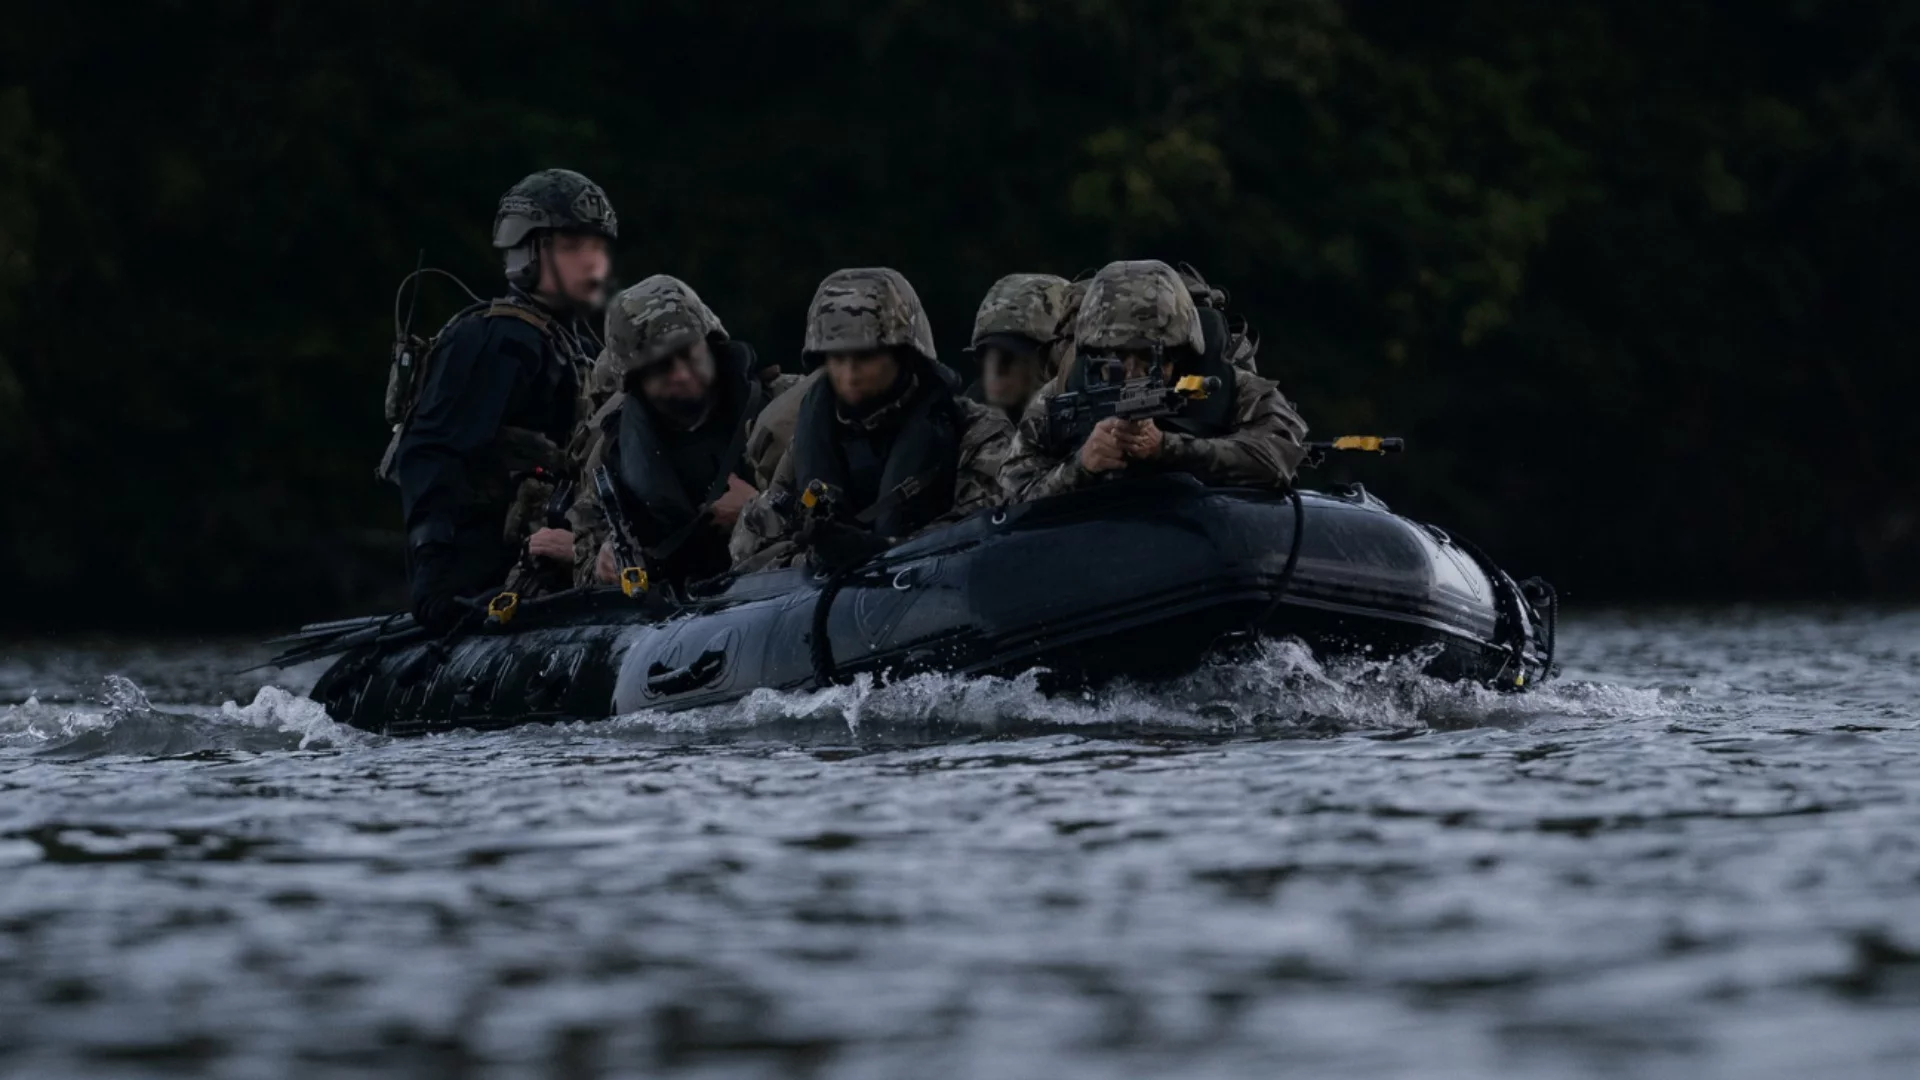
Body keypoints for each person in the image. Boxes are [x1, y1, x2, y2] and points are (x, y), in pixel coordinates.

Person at [391, 168, 615, 631]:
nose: (592, 262)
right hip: (493, 574)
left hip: (569, 555)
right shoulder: (495, 341)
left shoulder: (586, 350)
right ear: (529, 251)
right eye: (574, 246)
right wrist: (436, 582)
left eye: (597, 246)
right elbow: (431, 455)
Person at [729, 267, 1012, 571]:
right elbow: (749, 550)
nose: (850, 375)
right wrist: (813, 558)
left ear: (904, 355)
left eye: (865, 357)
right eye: (837, 359)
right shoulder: (810, 442)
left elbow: (987, 533)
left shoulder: (975, 431)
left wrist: (882, 551)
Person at [1000, 259, 1308, 503]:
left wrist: (1168, 448)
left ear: (1179, 353)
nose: (1133, 372)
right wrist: (1082, 465)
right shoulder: (1060, 397)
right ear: (1094, 354)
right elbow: (1012, 494)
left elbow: (1279, 455)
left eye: (1150, 357)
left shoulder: (1230, 386)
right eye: (1117, 358)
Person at [568, 275, 771, 589]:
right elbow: (584, 557)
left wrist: (759, 509)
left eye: (688, 352)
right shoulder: (613, 456)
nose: (681, 373)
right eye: (660, 365)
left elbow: (837, 518)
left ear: (710, 342)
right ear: (635, 379)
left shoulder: (780, 415)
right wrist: (602, 562)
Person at [964, 273, 1071, 421]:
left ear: (1053, 361)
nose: (996, 370)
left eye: (1009, 356)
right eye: (985, 354)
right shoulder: (955, 429)